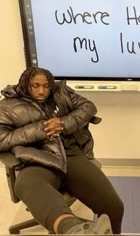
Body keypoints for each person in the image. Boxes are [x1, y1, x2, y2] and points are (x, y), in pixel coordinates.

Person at [0, 67, 124, 234]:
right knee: (24, 184)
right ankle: (73, 230)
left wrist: (64, 123)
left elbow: (88, 107)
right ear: (25, 85)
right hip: (38, 158)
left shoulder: (61, 93)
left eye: (46, 86)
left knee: (114, 207)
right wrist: (40, 129)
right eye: (35, 86)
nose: (41, 91)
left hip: (71, 155)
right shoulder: (8, 105)